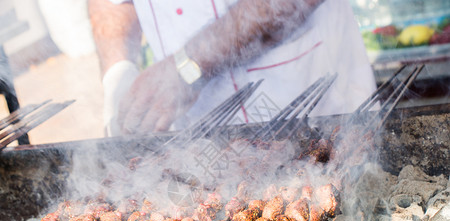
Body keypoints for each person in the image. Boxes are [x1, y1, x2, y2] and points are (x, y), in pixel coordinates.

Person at [89, 0, 376, 136]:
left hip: (308, 95)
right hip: (196, 125)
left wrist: (189, 67)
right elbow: (112, 5)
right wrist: (119, 70)